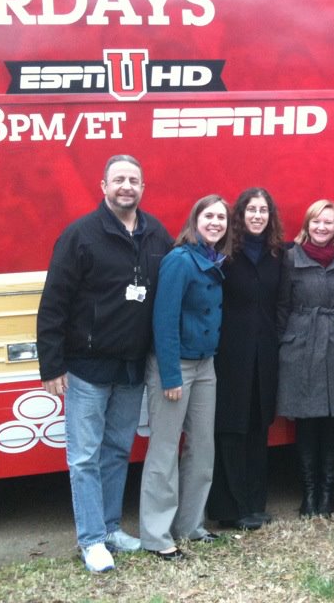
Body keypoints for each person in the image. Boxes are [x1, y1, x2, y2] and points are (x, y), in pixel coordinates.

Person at [37, 154, 172, 573]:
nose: (126, 186)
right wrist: (51, 365)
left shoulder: (156, 235)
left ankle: (111, 528)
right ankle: (92, 540)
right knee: (84, 456)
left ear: (143, 188)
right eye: (118, 180)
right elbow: (54, 303)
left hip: (131, 367)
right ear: (103, 186)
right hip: (87, 368)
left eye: (134, 179)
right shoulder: (80, 235)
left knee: (116, 451)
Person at [140, 194, 227, 560]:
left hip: (205, 365)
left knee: (202, 447)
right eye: (209, 216)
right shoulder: (179, 260)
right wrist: (171, 375)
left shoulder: (212, 258)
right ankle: (158, 537)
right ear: (196, 219)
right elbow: (164, 319)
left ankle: (190, 525)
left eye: (222, 218)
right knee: (164, 450)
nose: (216, 222)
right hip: (174, 367)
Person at [277, 200, 334, 517]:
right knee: (306, 422)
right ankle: (308, 492)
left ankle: (328, 493)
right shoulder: (290, 258)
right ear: (307, 224)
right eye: (316, 222)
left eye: (328, 222)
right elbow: (282, 305)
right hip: (301, 343)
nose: (322, 227)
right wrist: (283, 342)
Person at [207, 188, 285, 531]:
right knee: (229, 429)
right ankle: (230, 507)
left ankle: (254, 503)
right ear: (240, 215)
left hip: (264, 355)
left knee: (257, 427)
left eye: (263, 210)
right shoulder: (224, 254)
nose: (257, 215)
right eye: (251, 209)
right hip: (229, 356)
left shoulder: (277, 254)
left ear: (271, 216)